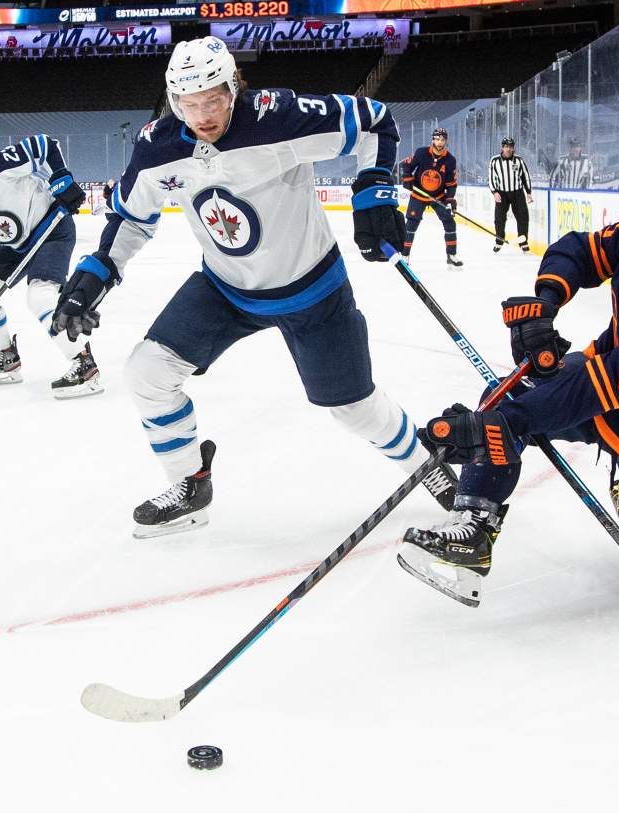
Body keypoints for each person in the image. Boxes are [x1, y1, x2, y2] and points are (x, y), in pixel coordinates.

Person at [47, 36, 457, 538]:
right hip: (225, 290)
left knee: (353, 409)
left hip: (313, 292)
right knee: (147, 371)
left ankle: (426, 464)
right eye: (189, 104)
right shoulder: (159, 147)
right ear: (174, 101)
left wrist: (374, 188)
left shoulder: (279, 117)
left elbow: (374, 120)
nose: (203, 115)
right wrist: (96, 272)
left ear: (233, 88)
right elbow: (131, 216)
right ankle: (189, 485)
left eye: (213, 99)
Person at [399, 188, 619, 606]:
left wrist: (502, 424)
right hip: (605, 369)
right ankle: (473, 528)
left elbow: (592, 390)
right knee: (506, 396)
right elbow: (581, 251)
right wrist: (545, 304)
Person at [0, 134, 99, 398]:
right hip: (18, 246)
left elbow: (45, 145)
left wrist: (60, 177)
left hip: (52, 229)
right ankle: (7, 358)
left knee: (40, 297)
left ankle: (84, 364)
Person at [400, 127, 461, 267]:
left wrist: (449, 199)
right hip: (418, 195)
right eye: (437, 139)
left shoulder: (450, 160)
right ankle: (404, 255)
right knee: (411, 224)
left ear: (446, 141)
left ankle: (451, 255)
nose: (439, 142)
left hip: (438, 196)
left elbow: (451, 183)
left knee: (450, 222)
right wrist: (408, 180)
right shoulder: (421, 153)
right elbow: (407, 165)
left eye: (442, 139)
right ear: (433, 140)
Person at [487, 136, 533, 254]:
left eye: (511, 147)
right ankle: (499, 240)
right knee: (499, 218)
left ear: (513, 148)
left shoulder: (519, 160)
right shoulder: (494, 160)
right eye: (506, 146)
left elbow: (525, 176)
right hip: (501, 193)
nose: (508, 149)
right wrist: (494, 192)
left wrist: (528, 192)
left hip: (517, 192)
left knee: (523, 217)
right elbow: (491, 177)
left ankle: (523, 242)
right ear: (502, 148)